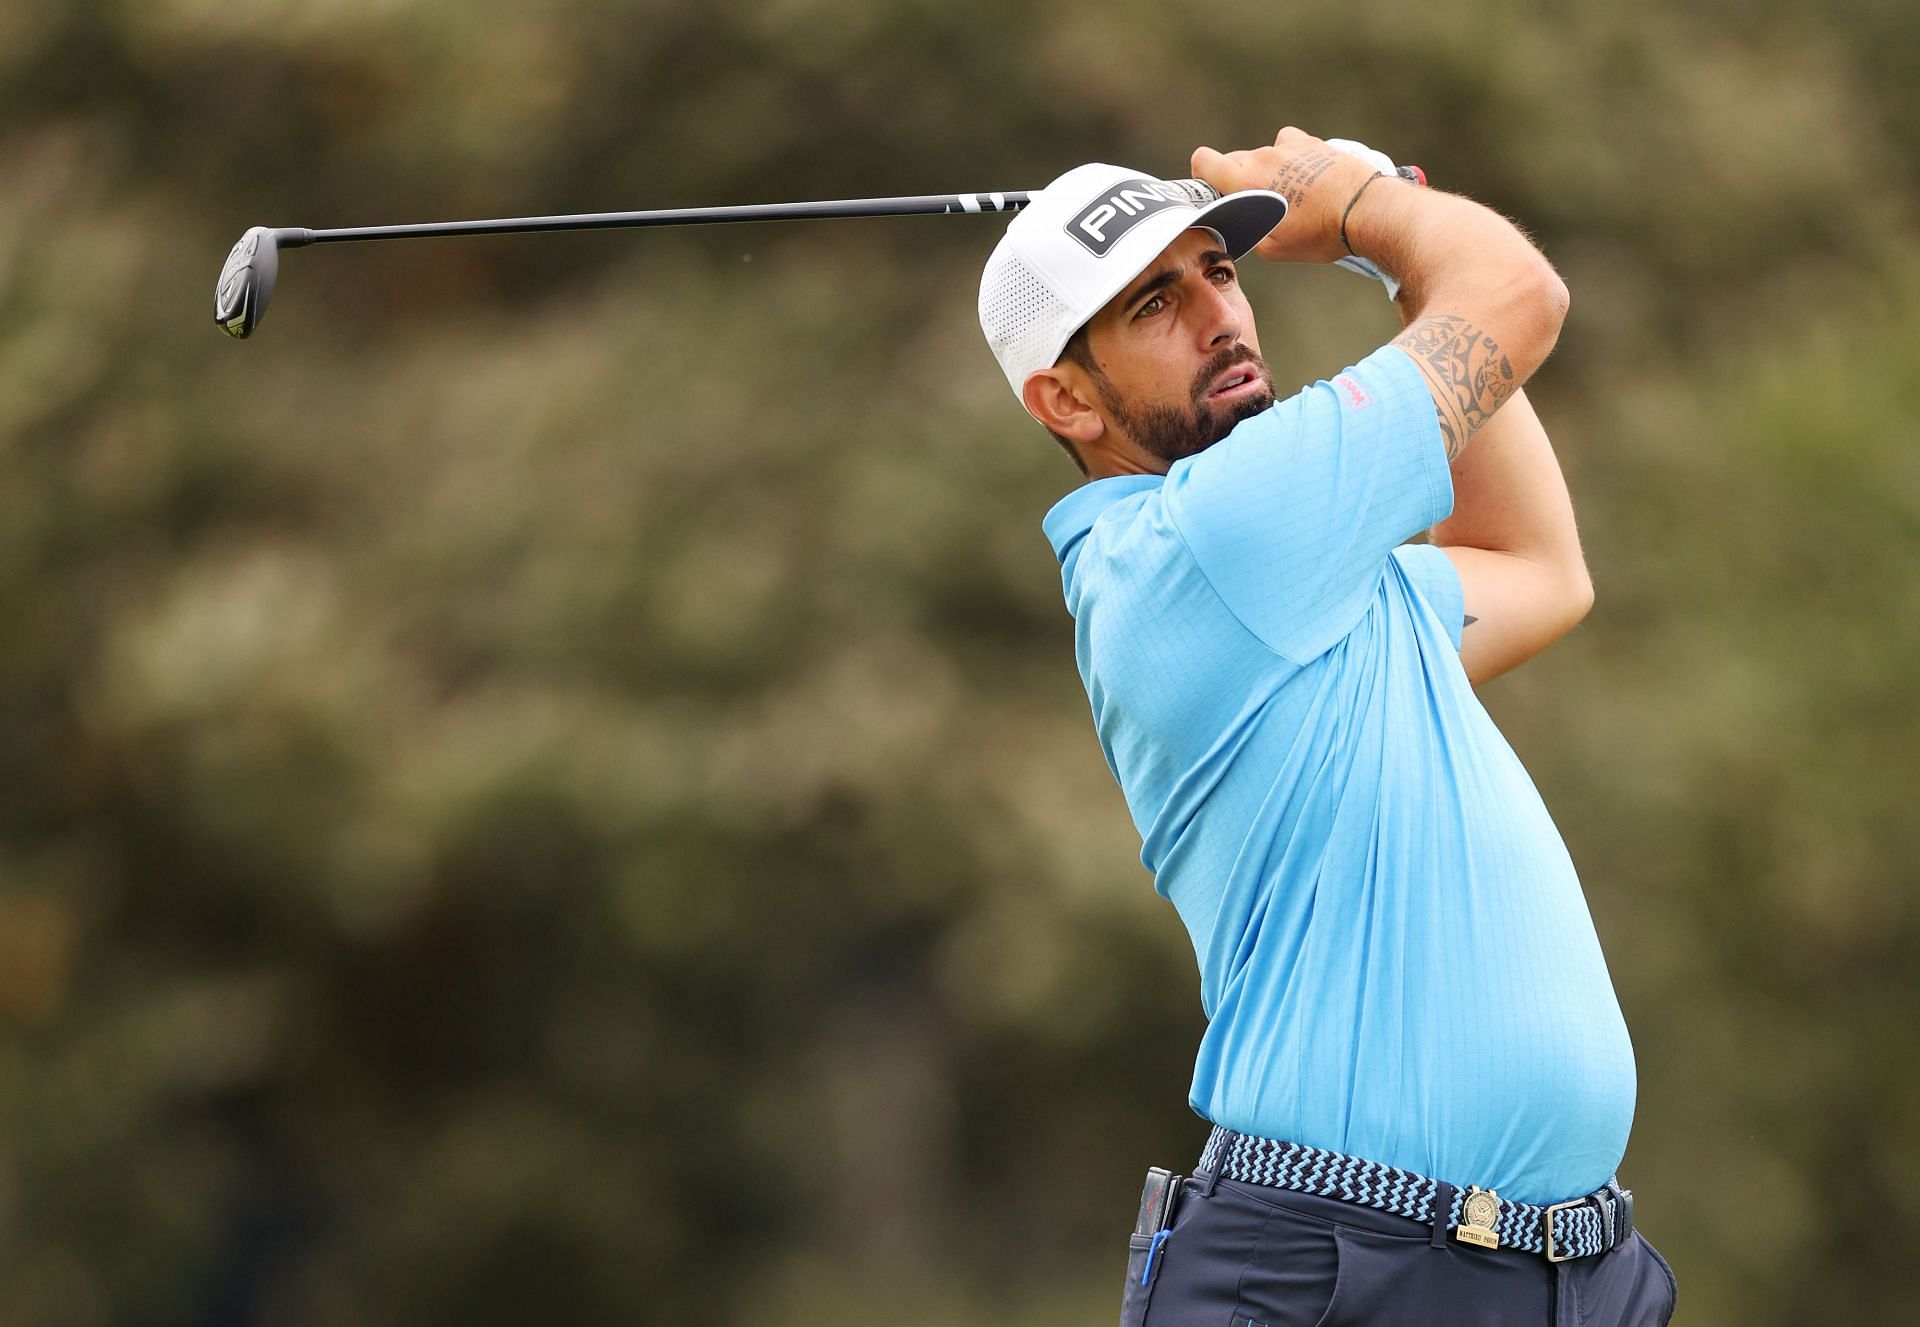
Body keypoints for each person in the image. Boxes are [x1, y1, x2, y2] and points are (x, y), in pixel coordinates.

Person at [976, 131, 1677, 1326]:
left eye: (1223, 274)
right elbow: (1520, 298)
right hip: (1340, 1271)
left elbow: (1537, 568)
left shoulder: (1307, 577)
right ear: (1065, 398)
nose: (1222, 319)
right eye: (1156, 301)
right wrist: (1365, 209)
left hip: (1563, 1276)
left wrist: (1397, 237)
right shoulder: (1207, 543)